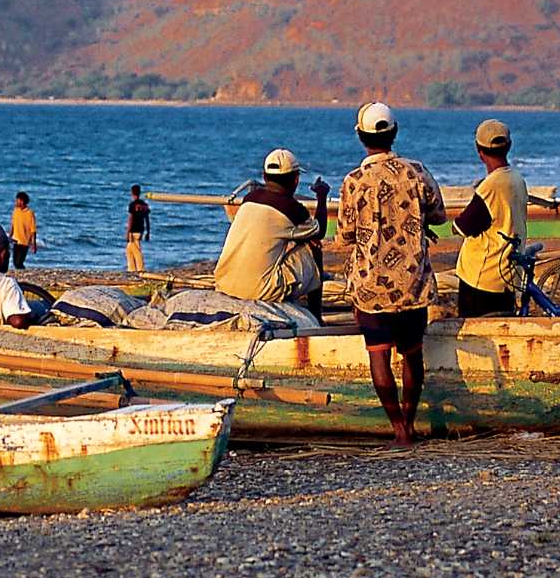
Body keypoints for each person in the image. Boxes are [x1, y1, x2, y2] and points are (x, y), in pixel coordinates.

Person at [335, 103, 447, 448]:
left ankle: (398, 429)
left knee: (378, 355)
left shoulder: (354, 182)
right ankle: (410, 421)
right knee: (413, 354)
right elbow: (439, 215)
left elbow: (345, 235)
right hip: (413, 282)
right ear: (394, 133)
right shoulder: (417, 172)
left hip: (370, 285)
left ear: (361, 137)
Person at [214, 148, 328, 306]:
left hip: (224, 283)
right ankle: (316, 313)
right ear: (296, 179)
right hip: (258, 290)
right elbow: (320, 231)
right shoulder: (292, 208)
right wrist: (322, 197)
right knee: (314, 246)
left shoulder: (249, 198)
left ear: (264, 176)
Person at [452, 119, 528, 317]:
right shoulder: (517, 179)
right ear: (509, 146)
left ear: (480, 152)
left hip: (483, 277)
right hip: (509, 275)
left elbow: (463, 227)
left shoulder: (490, 186)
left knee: (475, 331)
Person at [125, 185, 151, 272]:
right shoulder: (144, 205)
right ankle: (131, 268)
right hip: (140, 229)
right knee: (129, 250)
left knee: (136, 250)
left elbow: (131, 219)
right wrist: (148, 232)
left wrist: (127, 232)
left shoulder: (132, 205)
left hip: (133, 230)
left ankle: (140, 268)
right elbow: (147, 219)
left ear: (132, 193)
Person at [10, 192, 38, 270]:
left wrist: (34, 244)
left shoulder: (30, 213)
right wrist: (10, 236)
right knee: (15, 262)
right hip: (16, 240)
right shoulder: (15, 211)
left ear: (22, 201)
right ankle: (22, 272)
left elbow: (33, 229)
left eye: (17, 200)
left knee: (19, 262)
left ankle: (23, 271)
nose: (15, 202)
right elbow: (13, 224)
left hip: (24, 241)